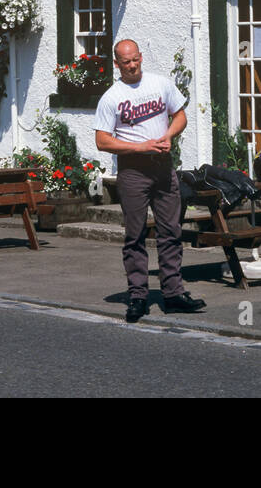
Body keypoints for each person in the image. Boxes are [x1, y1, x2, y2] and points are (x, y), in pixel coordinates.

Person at [95, 38, 207, 323]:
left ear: (141, 57)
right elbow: (102, 141)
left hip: (162, 167)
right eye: (125, 62)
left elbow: (179, 115)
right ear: (116, 64)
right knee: (135, 235)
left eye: (135, 60)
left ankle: (173, 294)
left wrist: (169, 136)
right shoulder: (111, 97)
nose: (131, 66)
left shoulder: (160, 84)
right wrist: (140, 147)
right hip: (133, 171)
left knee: (171, 231)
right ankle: (138, 296)